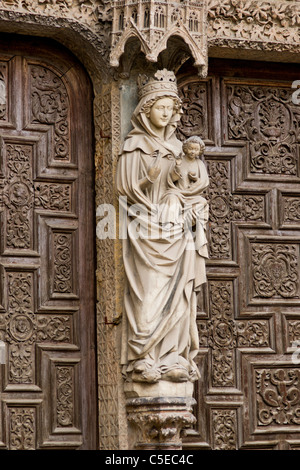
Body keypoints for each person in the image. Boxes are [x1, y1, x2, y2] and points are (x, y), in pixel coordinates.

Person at [116, 69, 209, 384]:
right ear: (145, 110)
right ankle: (144, 356)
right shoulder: (135, 145)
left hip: (176, 229)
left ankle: (172, 356)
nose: (166, 114)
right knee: (149, 291)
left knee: (180, 297)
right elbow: (125, 188)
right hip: (146, 227)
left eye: (171, 109)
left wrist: (187, 201)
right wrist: (150, 178)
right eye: (160, 107)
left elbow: (190, 185)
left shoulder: (180, 149)